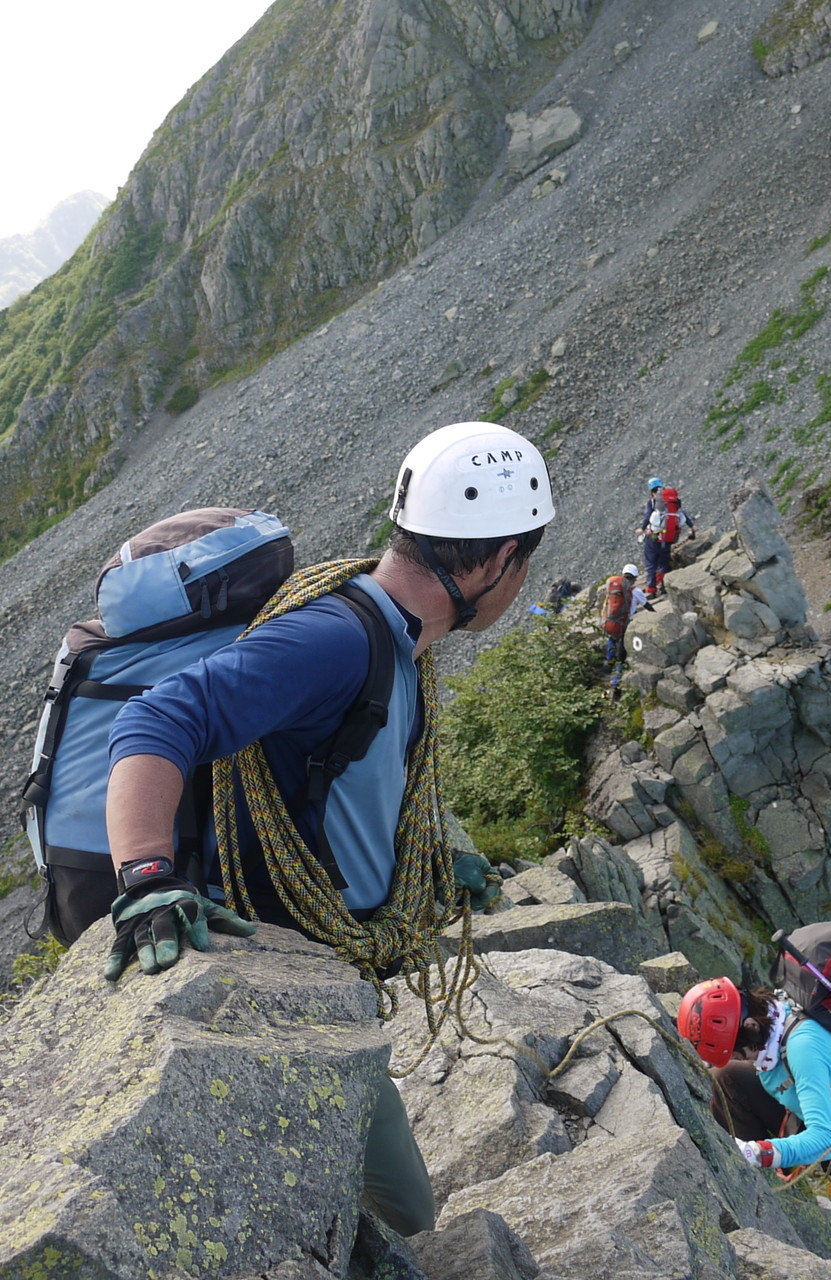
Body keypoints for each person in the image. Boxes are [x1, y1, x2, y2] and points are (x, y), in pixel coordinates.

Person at [100, 419, 556, 1237]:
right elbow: (156, 719)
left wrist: (432, 862)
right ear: (498, 562)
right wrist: (145, 876)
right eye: (525, 564)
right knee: (408, 1217)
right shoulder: (339, 639)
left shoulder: (395, 634)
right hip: (277, 971)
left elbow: (348, 776)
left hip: (325, 968)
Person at [678, 978, 831, 1264]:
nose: (736, 1057)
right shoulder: (772, 1015)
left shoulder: (802, 1046)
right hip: (808, 1112)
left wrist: (758, 1152)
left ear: (750, 1026)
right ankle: (761, 1192)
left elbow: (825, 1139)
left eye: (736, 1051)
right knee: (728, 1077)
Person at [641, 485, 692, 596]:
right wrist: (691, 527)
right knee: (664, 562)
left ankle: (651, 589)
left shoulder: (656, 508)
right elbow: (683, 519)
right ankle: (664, 585)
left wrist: (644, 529)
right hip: (669, 539)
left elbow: (650, 519)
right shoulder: (676, 510)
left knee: (651, 563)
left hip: (654, 538)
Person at [599, 563, 641, 665]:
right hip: (622, 623)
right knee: (622, 645)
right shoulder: (633, 591)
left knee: (612, 639)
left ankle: (609, 659)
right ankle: (618, 669)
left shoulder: (613, 588)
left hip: (607, 621)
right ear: (634, 578)